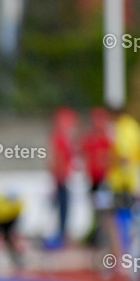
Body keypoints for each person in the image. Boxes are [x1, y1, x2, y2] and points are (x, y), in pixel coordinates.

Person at [106, 104, 140, 263]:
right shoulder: (135, 127)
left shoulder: (124, 129)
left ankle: (123, 256)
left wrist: (110, 164)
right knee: (132, 218)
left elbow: (124, 156)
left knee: (119, 220)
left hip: (124, 183)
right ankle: (129, 255)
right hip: (133, 180)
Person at [44, 107, 77, 249]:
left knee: (62, 208)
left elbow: (58, 158)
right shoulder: (60, 138)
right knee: (61, 208)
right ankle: (61, 235)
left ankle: (62, 235)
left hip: (62, 178)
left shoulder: (60, 138)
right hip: (61, 178)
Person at [81, 106, 113, 246]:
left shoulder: (107, 138)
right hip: (94, 179)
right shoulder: (90, 138)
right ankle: (97, 235)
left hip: (104, 179)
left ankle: (104, 237)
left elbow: (110, 158)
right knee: (96, 209)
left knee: (105, 211)